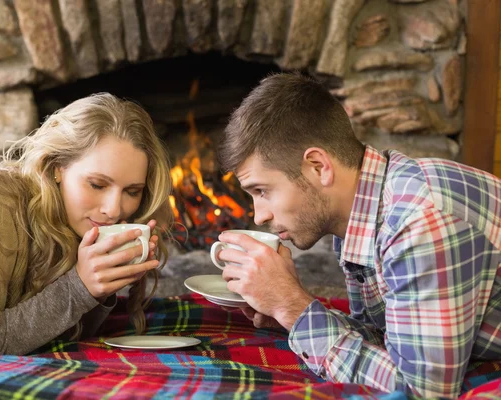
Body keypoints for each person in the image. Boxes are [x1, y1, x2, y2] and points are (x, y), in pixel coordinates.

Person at [215, 72, 501, 398]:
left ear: (319, 167)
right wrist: (285, 311)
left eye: (262, 190)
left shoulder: (418, 221)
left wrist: (294, 307)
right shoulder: (361, 208)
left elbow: (419, 392)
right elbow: (386, 337)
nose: (259, 215)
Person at [0, 93, 173, 356]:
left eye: (132, 191)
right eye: (97, 184)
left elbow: (58, 332)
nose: (114, 209)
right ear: (57, 167)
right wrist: (79, 287)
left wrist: (102, 286)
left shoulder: (79, 222)